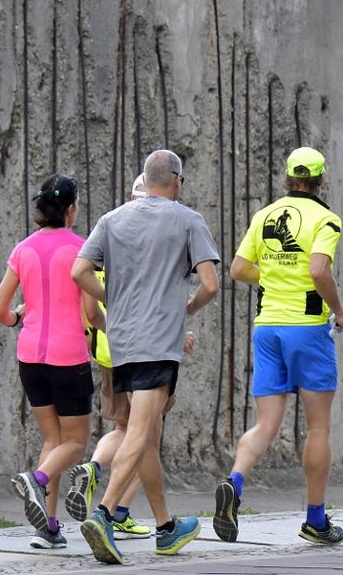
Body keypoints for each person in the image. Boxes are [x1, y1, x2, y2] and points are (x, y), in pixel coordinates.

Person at [72, 151, 220, 564]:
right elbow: (210, 285)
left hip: (122, 344)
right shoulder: (188, 220)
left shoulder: (112, 219)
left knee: (148, 435)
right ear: (176, 179)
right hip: (159, 342)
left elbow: (79, 272)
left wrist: (114, 301)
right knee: (140, 431)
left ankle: (166, 528)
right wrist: (185, 309)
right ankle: (104, 514)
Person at [212, 146, 343, 545]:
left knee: (266, 424)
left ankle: (235, 482)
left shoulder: (264, 215)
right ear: (321, 179)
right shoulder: (326, 219)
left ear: (289, 177)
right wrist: (340, 311)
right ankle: (315, 520)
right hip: (307, 330)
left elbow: (238, 269)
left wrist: (273, 278)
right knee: (318, 427)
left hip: (267, 328)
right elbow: (318, 269)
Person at [0, 174, 103, 550]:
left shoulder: (22, 249)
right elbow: (91, 309)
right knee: (76, 442)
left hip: (30, 357)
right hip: (68, 355)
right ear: (71, 210)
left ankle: (48, 528)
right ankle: (36, 480)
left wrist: (18, 317)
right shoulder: (82, 248)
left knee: (53, 440)